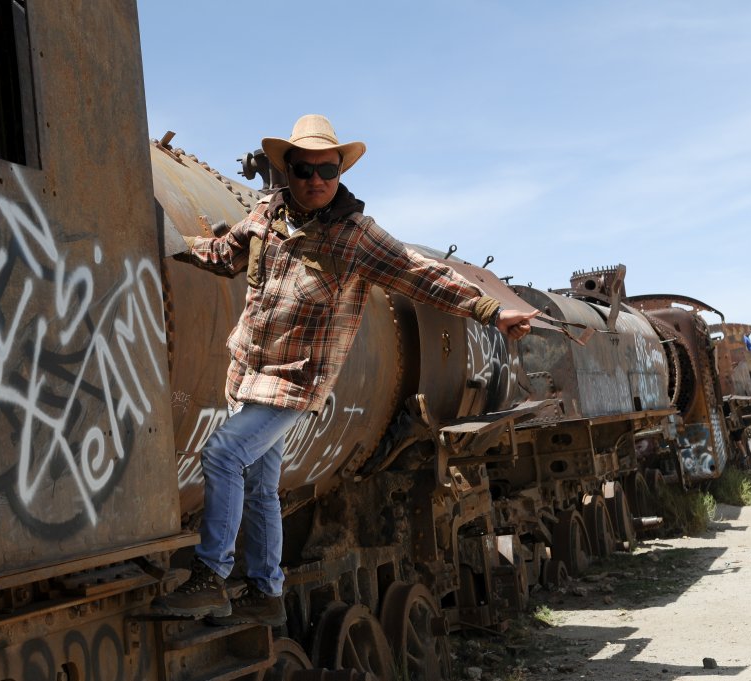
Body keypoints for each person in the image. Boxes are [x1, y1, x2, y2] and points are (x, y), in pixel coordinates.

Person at [151, 114, 538, 626]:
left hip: (295, 381)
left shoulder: (357, 236)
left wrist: (492, 310)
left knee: (223, 454)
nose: (316, 180)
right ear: (287, 170)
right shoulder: (266, 215)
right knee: (262, 486)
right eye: (305, 169)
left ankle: (209, 579)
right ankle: (266, 592)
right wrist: (162, 243)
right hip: (247, 372)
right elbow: (224, 255)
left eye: (327, 170)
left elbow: (421, 275)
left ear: (340, 172)